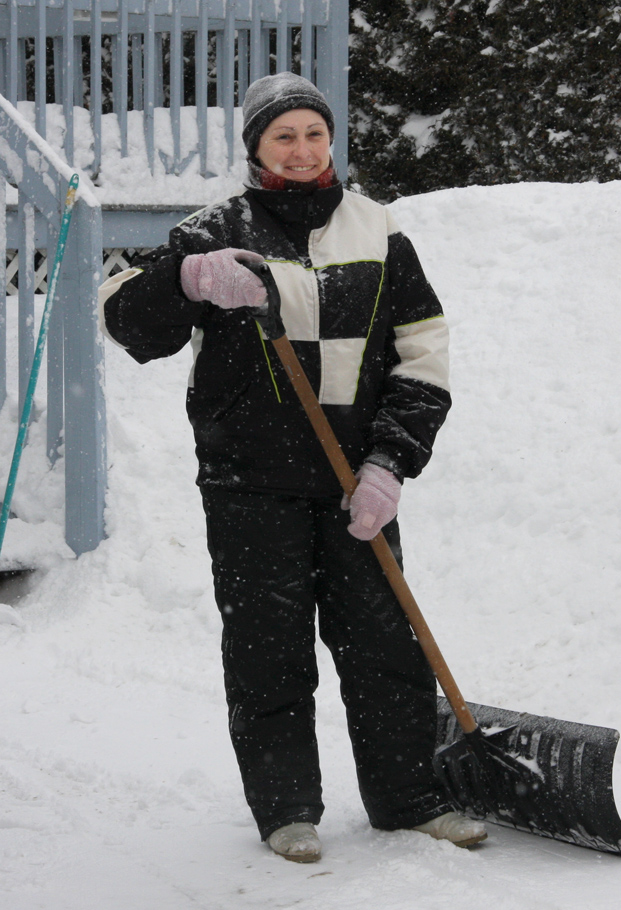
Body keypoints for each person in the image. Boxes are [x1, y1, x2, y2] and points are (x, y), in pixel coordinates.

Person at [99, 73, 487, 863]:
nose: (303, 149)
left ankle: (408, 798)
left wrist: (390, 463)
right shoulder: (215, 230)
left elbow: (423, 352)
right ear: (255, 146)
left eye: (314, 133)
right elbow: (123, 318)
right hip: (249, 483)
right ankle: (285, 809)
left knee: (384, 643)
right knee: (267, 649)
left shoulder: (378, 231)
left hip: (356, 483)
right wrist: (187, 280)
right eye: (284, 136)